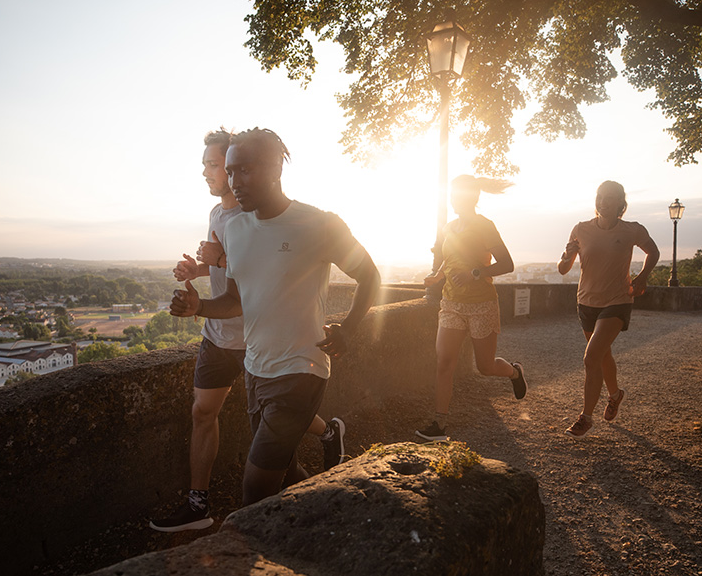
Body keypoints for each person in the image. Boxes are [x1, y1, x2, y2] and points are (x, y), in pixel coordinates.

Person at [170, 127, 380, 506]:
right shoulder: (234, 229)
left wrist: (348, 328)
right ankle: (320, 528)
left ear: (275, 170)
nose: (235, 181)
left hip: (302, 370)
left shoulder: (319, 224)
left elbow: (370, 275)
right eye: (231, 171)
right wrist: (197, 307)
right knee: (285, 474)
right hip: (257, 370)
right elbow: (235, 300)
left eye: (245, 170)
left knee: (255, 490)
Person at [416, 175, 527, 442]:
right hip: (451, 304)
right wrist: (438, 276)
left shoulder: (484, 225)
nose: (454, 198)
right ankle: (439, 424)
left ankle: (514, 372)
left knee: (485, 367)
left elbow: (507, 264)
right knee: (444, 362)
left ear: (472, 197)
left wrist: (475, 273)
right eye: (452, 193)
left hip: (481, 305)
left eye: (459, 194)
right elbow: (449, 259)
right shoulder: (448, 228)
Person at [557, 180, 659, 438]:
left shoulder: (632, 230)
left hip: (618, 301)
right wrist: (567, 255)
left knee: (591, 357)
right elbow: (562, 268)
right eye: (600, 197)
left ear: (620, 203)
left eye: (610, 198)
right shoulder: (580, 229)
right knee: (602, 356)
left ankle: (585, 418)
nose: (603, 202)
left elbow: (653, 251)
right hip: (586, 302)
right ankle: (615, 395)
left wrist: (643, 276)